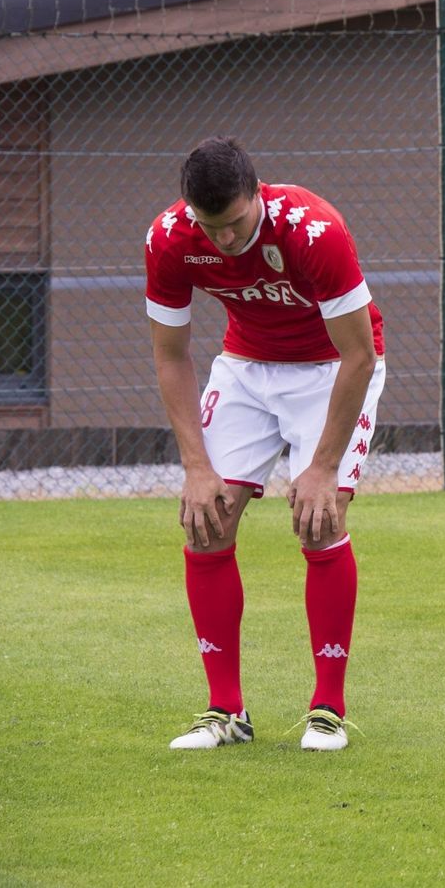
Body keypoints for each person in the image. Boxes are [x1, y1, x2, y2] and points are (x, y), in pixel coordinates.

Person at [147, 136, 386, 752]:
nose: (222, 241)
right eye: (209, 227)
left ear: (258, 193)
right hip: (247, 366)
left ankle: (327, 709)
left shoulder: (313, 229)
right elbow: (170, 356)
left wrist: (323, 467)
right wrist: (196, 467)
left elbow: (359, 354)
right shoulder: (171, 238)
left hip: (333, 368)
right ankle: (225, 711)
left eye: (233, 225)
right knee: (207, 521)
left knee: (318, 519)